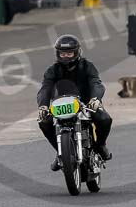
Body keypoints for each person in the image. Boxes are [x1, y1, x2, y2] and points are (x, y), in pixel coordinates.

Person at [37, 34, 112, 171]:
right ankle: (60, 152)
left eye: (69, 53)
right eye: (63, 53)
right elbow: (45, 88)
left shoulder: (87, 66)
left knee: (105, 119)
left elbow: (96, 83)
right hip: (61, 105)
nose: (66, 56)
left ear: (77, 52)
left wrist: (95, 99)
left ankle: (100, 145)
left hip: (86, 104)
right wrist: (43, 106)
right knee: (43, 122)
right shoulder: (52, 70)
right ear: (58, 53)